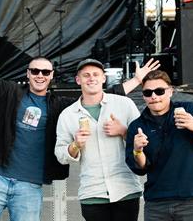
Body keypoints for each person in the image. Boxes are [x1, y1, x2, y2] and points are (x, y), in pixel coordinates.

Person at [0, 23, 159, 221]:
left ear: (52, 76)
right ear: (28, 73)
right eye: (35, 71)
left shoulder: (60, 106)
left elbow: (98, 93)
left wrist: (136, 80)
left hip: (29, 187)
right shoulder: (9, 92)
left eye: (45, 72)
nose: (40, 76)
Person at [125, 70, 193, 221]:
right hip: (156, 201)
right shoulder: (137, 126)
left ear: (170, 91)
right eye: (148, 92)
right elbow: (140, 169)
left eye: (159, 91)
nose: (154, 96)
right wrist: (137, 150)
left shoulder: (189, 110)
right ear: (143, 96)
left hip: (190, 198)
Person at [55, 59, 143, 221]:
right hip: (92, 193)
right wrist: (75, 145)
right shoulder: (68, 114)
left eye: (96, 74)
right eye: (86, 75)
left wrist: (123, 131)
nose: (91, 78)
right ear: (78, 80)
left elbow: (143, 139)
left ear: (103, 78)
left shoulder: (124, 104)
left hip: (125, 190)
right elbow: (60, 155)